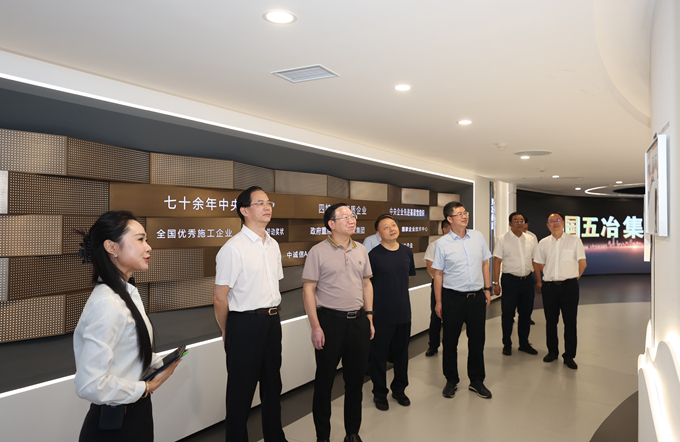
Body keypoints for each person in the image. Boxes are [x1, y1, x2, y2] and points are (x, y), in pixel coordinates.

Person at [74, 211, 180, 442]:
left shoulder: (126, 293)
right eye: (140, 239)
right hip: (115, 427)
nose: (148, 247)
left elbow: (125, 353)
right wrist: (145, 387)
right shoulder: (106, 303)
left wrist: (157, 363)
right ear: (111, 247)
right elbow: (89, 384)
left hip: (134, 415)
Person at [213, 186, 287, 442]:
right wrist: (227, 331)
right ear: (244, 210)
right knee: (240, 393)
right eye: (260, 203)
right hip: (244, 324)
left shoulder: (273, 244)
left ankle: (275, 438)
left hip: (272, 321)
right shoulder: (233, 248)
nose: (267, 207)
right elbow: (220, 298)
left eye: (269, 202)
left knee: (273, 386)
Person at [302, 203, 374, 442]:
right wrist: (315, 326)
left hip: (358, 322)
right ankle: (322, 436)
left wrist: (369, 316)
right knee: (324, 383)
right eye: (345, 217)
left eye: (353, 216)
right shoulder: (317, 252)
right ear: (331, 224)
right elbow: (308, 289)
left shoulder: (361, 249)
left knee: (355, 382)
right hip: (330, 322)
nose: (352, 220)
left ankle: (352, 433)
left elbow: (366, 284)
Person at [432, 202, 493, 399]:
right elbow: (438, 274)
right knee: (450, 341)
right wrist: (439, 301)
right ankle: (451, 380)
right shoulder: (442, 244)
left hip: (476, 297)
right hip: (453, 298)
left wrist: (487, 289)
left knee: (477, 340)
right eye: (459, 214)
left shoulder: (478, 236)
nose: (464, 216)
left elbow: (485, 263)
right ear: (449, 219)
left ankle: (477, 380)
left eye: (465, 212)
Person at [368, 214, 416, 411]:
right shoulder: (373, 255)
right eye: (385, 227)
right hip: (381, 314)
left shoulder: (406, 252)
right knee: (378, 356)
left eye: (393, 225)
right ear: (378, 233)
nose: (391, 229)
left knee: (402, 354)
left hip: (403, 312)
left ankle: (399, 390)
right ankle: (379, 393)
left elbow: (406, 278)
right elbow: (367, 286)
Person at [533, 212, 587, 370]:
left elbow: (582, 263)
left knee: (570, 322)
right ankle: (552, 352)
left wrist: (573, 278)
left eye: (558, 220)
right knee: (551, 322)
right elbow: (538, 263)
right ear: (547, 225)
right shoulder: (543, 243)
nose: (555, 223)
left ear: (563, 223)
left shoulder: (574, 241)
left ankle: (569, 356)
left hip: (569, 287)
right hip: (549, 287)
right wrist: (550, 272)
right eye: (551, 221)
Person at [492, 212, 538, 356]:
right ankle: (507, 343)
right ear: (510, 223)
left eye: (521, 220)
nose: (519, 223)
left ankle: (524, 343)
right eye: (516, 220)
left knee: (526, 314)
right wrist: (495, 282)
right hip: (510, 280)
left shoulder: (531, 239)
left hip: (527, 280)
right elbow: (497, 261)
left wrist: (539, 280)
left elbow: (535, 260)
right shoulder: (502, 239)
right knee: (508, 314)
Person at [423, 219, 451, 356]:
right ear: (444, 230)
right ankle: (433, 345)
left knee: (451, 318)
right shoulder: (434, 245)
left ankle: (449, 346)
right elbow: (430, 268)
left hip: (454, 287)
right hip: (438, 285)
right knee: (436, 316)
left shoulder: (460, 245)